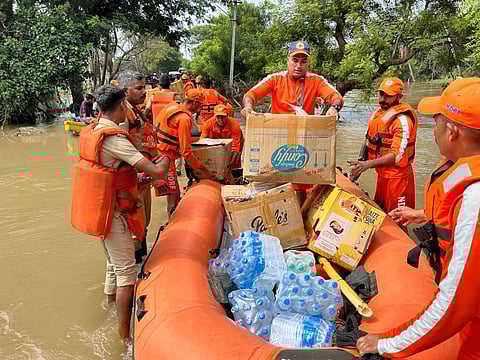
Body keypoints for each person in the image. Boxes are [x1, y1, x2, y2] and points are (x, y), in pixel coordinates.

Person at [356, 78, 480, 360]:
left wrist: (386, 343)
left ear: (451, 132)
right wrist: (423, 214)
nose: (432, 130)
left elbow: (454, 303)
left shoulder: (475, 196)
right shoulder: (467, 180)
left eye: (436, 121)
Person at [71, 85, 169, 342]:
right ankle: (124, 337)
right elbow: (157, 171)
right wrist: (167, 159)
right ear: (120, 106)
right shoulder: (115, 138)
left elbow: (111, 170)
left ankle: (110, 306)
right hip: (113, 214)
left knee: (113, 265)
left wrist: (137, 176)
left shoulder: (93, 130)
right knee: (126, 273)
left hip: (98, 211)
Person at [242, 40, 344, 206]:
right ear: (288, 60)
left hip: (302, 140)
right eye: (295, 60)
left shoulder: (316, 81)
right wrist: (248, 107)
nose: (298, 65)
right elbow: (250, 95)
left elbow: (336, 97)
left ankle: (300, 221)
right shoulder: (275, 79)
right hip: (277, 140)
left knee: (300, 185)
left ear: (308, 63)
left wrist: (334, 108)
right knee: (272, 180)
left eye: (303, 62)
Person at [349, 77, 418, 213]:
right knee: (381, 210)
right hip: (382, 174)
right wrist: (360, 164)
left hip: (398, 178)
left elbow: (397, 156)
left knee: (398, 218)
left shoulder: (402, 120)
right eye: (381, 94)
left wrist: (368, 165)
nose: (383, 99)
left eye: (388, 96)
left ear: (399, 97)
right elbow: (368, 139)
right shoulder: (378, 114)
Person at [154, 89, 218, 217]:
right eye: (200, 105)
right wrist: (202, 169)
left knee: (172, 192)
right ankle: (171, 221)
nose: (200, 108)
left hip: (158, 152)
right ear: (194, 103)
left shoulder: (173, 106)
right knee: (174, 193)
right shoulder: (184, 119)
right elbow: (186, 152)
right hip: (166, 158)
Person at [117, 71, 157, 264]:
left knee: (144, 222)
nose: (144, 92)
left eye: (145, 87)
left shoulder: (137, 110)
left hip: (143, 176)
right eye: (139, 88)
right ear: (125, 91)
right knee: (135, 225)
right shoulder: (124, 115)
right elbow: (122, 150)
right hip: (133, 179)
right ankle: (134, 267)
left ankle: (142, 261)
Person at [145, 74, 183, 178]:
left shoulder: (153, 96)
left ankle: (162, 170)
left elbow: (147, 110)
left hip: (157, 130)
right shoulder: (175, 97)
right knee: (176, 150)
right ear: (170, 84)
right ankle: (177, 169)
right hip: (172, 131)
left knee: (160, 151)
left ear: (159, 85)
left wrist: (148, 120)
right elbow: (182, 111)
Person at [201, 104, 244, 183]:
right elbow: (202, 141)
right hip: (217, 141)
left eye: (223, 117)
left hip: (233, 142)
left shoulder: (234, 125)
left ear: (227, 116)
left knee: (234, 162)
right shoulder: (208, 124)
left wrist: (229, 164)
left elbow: (235, 147)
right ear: (214, 116)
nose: (220, 119)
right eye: (218, 117)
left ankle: (236, 180)